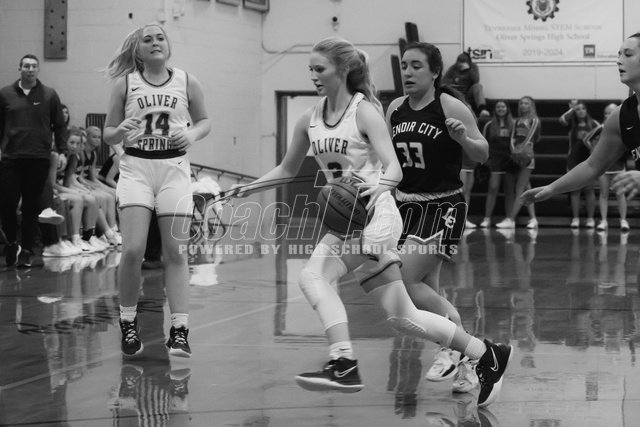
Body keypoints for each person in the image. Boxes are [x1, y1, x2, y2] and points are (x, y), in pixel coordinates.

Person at [237, 37, 511, 408]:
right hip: (387, 209)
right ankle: (483, 355)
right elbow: (289, 168)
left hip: (418, 209)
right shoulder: (380, 110)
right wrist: (247, 189)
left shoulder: (403, 108)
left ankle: (346, 361)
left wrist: (380, 187)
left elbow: (411, 163)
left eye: (319, 68)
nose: (407, 72)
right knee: (405, 313)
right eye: (404, 65)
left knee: (327, 277)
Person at [383, 41, 510, 401]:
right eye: (404, 65)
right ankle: (469, 362)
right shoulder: (395, 109)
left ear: (435, 72)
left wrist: (464, 138)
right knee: (429, 294)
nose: (407, 72)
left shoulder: (450, 105)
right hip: (406, 207)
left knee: (406, 281)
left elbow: (482, 153)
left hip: (443, 206)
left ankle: (475, 351)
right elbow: (390, 160)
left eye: (416, 66)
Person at [103, 24, 211, 358]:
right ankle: (128, 321)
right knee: (133, 250)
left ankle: (179, 330)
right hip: (136, 168)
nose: (154, 43)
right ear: (137, 50)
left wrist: (191, 135)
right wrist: (119, 131)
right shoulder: (125, 83)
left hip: (173, 169)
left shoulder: (187, 81)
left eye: (159, 38)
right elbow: (108, 133)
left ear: (168, 45)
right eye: (147, 40)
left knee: (175, 252)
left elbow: (205, 122)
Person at [522, 33, 640, 223]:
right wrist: (552, 188)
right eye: (618, 55)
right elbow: (592, 166)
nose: (619, 60)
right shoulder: (621, 116)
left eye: (628, 54)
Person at [0, 54, 68, 267]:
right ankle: (12, 242)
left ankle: (27, 249)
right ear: (19, 68)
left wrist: (62, 151)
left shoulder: (49, 94)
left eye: (34, 66)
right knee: (7, 204)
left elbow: (60, 125)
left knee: (31, 207)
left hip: (38, 158)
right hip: (11, 157)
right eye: (26, 66)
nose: (30, 69)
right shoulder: (5, 94)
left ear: (38, 70)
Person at [582, 102, 629, 231]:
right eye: (606, 113)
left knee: (620, 194)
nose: (608, 115)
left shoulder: (625, 128)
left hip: (619, 166)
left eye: (611, 112)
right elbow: (586, 139)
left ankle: (623, 220)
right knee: (604, 194)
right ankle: (603, 221)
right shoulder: (601, 127)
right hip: (604, 167)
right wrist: (594, 151)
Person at [495, 96, 540, 229]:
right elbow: (512, 138)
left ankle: (511, 219)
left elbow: (530, 137)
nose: (523, 105)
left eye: (526, 103)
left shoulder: (534, 120)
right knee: (527, 188)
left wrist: (520, 151)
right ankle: (533, 219)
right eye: (521, 103)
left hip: (527, 156)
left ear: (531, 106)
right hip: (516, 156)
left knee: (519, 189)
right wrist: (514, 151)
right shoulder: (516, 121)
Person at [559, 100, 599, 228]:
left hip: (589, 161)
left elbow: (601, 139)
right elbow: (562, 120)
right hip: (574, 160)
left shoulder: (594, 123)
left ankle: (590, 218)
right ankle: (575, 218)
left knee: (589, 190)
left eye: (583, 108)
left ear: (587, 110)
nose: (581, 111)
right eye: (578, 109)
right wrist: (572, 108)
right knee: (574, 190)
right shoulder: (571, 124)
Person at [479, 101, 515, 228]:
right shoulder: (489, 125)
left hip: (510, 161)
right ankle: (487, 218)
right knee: (492, 189)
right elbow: (484, 143)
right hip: (495, 161)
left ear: (507, 109)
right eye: (498, 107)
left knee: (509, 191)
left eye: (503, 106)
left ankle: (509, 219)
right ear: (495, 110)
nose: (501, 109)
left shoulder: (514, 124)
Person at [442, 52, 490, 118]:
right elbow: (443, 82)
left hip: (468, 93)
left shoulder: (473, 67)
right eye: (459, 62)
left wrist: (469, 69)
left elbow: (476, 80)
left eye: (463, 62)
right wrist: (454, 81)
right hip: (456, 93)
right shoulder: (453, 68)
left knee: (478, 86)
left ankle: (482, 109)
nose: (460, 64)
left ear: (468, 62)